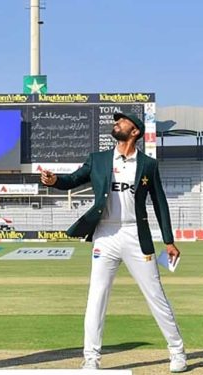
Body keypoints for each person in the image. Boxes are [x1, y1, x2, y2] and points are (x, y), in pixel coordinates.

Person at [40, 112, 187, 373]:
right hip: (105, 235)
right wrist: (54, 181)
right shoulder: (98, 160)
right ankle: (91, 358)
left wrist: (169, 241)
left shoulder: (148, 165)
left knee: (155, 295)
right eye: (116, 120)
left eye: (122, 121)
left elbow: (160, 202)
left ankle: (177, 352)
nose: (116, 123)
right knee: (96, 297)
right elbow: (73, 179)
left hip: (135, 234)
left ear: (135, 132)